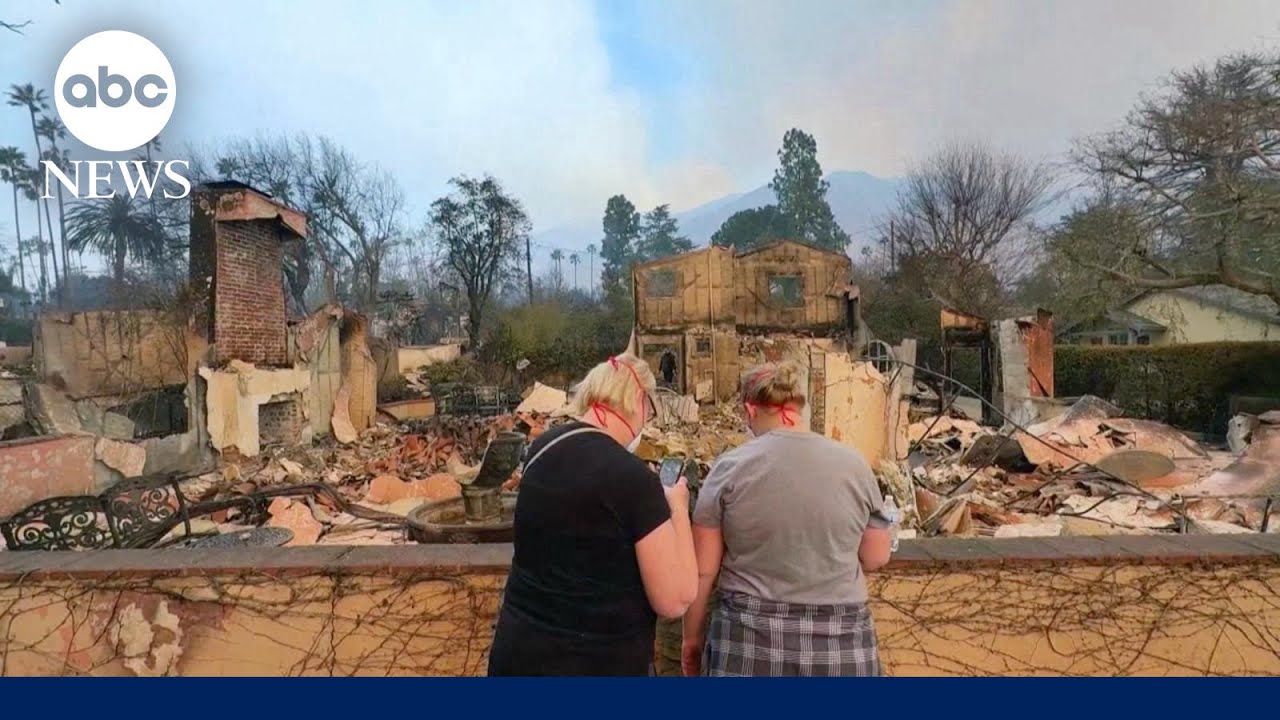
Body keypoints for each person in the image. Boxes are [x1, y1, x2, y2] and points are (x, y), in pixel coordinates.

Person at [488, 353, 698, 676]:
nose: (648, 420)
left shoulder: (541, 448)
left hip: (518, 654)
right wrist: (678, 509)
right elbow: (675, 599)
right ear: (638, 401)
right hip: (597, 663)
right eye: (650, 410)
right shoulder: (634, 480)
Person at [681, 360, 894, 677]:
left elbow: (703, 570)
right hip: (840, 640)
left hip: (749, 636)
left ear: (751, 411)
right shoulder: (855, 465)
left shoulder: (730, 467)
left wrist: (690, 638)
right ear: (798, 407)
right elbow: (876, 557)